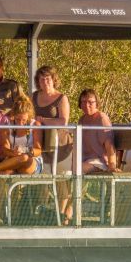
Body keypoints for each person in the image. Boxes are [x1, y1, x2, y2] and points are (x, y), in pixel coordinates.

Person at [32, 65, 72, 223]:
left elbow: (64, 121)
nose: (45, 81)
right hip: (40, 145)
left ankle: (60, 215)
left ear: (53, 80)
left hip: (60, 145)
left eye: (48, 78)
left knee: (60, 179)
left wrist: (43, 120)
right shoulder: (34, 96)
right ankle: (41, 212)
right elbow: (29, 115)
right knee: (42, 179)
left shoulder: (62, 98)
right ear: (38, 82)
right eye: (42, 79)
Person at [0, 94, 42, 175]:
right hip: (13, 160)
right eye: (18, 119)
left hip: (32, 162)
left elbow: (38, 151)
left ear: (29, 116)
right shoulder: (7, 127)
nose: (20, 124)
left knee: (24, 158)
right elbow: (5, 149)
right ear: (13, 115)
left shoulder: (35, 125)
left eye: (24, 120)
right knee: (3, 173)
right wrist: (13, 153)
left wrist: (25, 150)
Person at [78, 89, 119, 174]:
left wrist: (112, 166)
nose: (87, 105)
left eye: (90, 102)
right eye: (83, 102)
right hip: (84, 160)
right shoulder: (82, 120)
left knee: (76, 171)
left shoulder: (102, 118)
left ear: (96, 103)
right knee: (64, 170)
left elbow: (109, 144)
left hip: (99, 162)